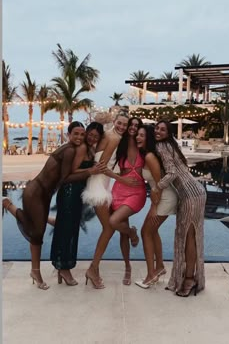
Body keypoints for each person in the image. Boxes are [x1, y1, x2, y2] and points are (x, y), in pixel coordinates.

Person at [2, 121, 106, 290]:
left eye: (82, 134)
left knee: (45, 228)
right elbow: (65, 178)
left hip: (45, 193)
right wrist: (89, 171)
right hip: (36, 192)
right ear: (68, 134)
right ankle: (37, 270)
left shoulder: (77, 148)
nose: (80, 137)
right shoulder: (71, 150)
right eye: (76, 134)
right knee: (37, 233)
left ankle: (58, 268)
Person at [82, 111, 140, 289]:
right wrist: (122, 179)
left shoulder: (110, 135)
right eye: (120, 123)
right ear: (115, 122)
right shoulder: (113, 138)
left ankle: (95, 268)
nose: (122, 127)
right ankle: (93, 268)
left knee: (108, 228)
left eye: (125, 124)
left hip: (102, 184)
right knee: (108, 228)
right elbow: (101, 167)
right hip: (98, 186)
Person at [154, 120, 206, 296]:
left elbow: (172, 173)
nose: (158, 131)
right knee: (191, 236)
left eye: (162, 129)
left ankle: (189, 279)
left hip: (190, 195)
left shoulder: (162, 146)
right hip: (197, 192)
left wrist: (157, 187)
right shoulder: (171, 146)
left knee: (187, 237)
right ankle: (190, 277)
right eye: (157, 128)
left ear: (168, 133)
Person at [50, 122, 104, 286]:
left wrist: (92, 168)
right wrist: (90, 171)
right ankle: (63, 268)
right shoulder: (79, 149)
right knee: (66, 231)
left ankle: (63, 267)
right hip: (69, 193)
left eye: (96, 136)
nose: (90, 137)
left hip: (76, 193)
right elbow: (68, 175)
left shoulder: (88, 148)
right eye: (90, 134)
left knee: (71, 230)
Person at [134, 125, 178, 289]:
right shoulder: (147, 154)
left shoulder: (151, 156)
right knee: (152, 231)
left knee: (146, 232)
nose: (138, 138)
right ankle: (159, 267)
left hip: (164, 197)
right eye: (137, 135)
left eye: (142, 136)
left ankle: (150, 274)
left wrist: (153, 207)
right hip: (161, 197)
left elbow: (159, 184)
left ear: (149, 138)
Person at [108, 117, 146, 285]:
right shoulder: (119, 144)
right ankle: (128, 267)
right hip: (119, 189)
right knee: (122, 231)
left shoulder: (143, 146)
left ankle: (132, 232)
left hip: (137, 192)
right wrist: (121, 179)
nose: (133, 128)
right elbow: (104, 166)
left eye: (137, 126)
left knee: (114, 221)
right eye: (131, 125)